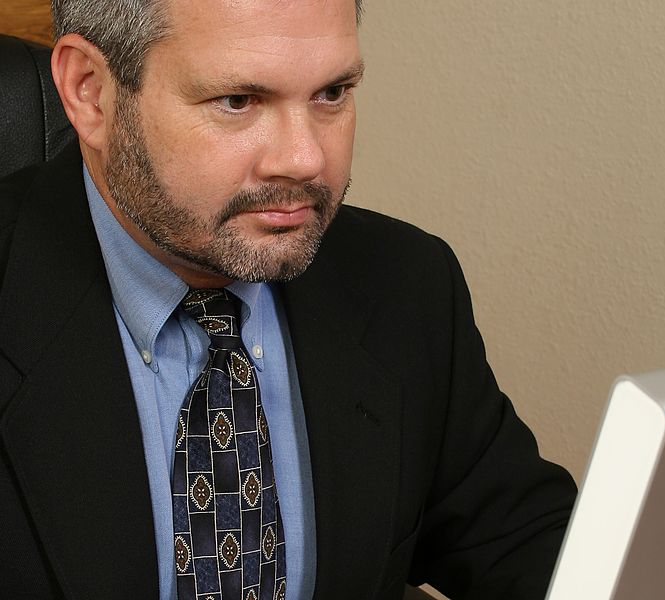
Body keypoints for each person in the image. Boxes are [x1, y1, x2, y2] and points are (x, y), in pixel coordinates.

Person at [0, 1, 577, 598]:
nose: (305, 159)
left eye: (332, 93)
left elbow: (531, 546)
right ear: (90, 92)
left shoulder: (405, 284)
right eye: (238, 101)